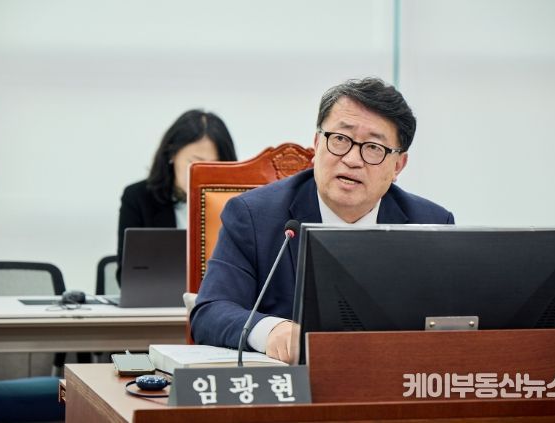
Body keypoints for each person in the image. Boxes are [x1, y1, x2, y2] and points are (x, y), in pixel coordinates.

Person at [190, 77, 454, 363]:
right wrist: (271, 331)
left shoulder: (430, 225)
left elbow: (454, 324)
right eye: (340, 139)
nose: (352, 159)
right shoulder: (254, 216)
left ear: (398, 166)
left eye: (373, 147)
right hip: (293, 385)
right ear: (317, 144)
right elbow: (210, 311)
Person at [116, 109, 237, 280]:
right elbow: (127, 276)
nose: (203, 173)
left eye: (214, 165)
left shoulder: (238, 201)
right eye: (195, 162)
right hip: (160, 296)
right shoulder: (138, 197)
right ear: (172, 154)